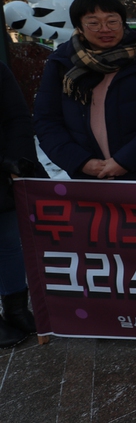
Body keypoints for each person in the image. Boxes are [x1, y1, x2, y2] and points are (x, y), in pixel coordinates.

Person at [33, 0, 136, 181]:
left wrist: (125, 161)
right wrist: (81, 162)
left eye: (112, 21)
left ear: (122, 22)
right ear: (79, 27)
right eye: (93, 23)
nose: (105, 29)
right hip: (88, 180)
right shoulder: (61, 64)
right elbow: (47, 121)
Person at [0, 61, 43, 347]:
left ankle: (15, 309)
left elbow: (18, 118)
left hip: (3, 172)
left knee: (8, 243)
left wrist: (18, 161)